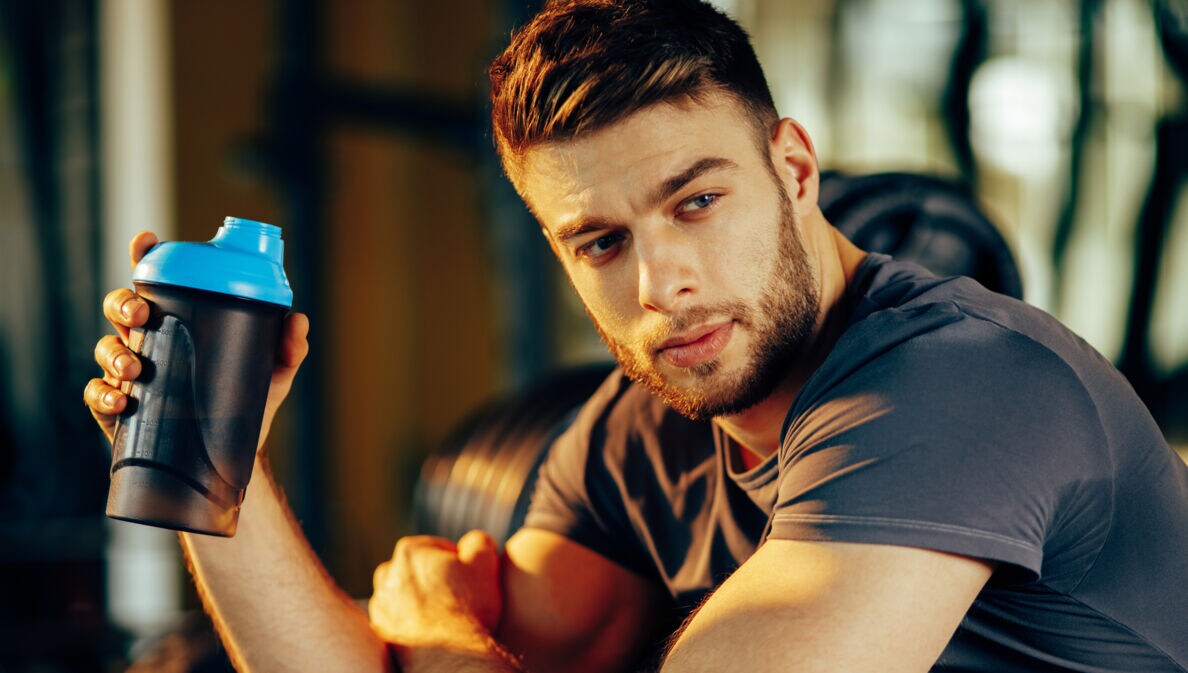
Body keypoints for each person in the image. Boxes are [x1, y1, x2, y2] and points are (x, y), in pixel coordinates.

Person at [85, 0, 1188, 671]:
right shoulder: (647, 422)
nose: (664, 284)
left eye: (697, 201)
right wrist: (213, 466)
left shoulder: (956, 385)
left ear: (794, 170)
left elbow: (429, 654)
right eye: (601, 242)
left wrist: (436, 640)